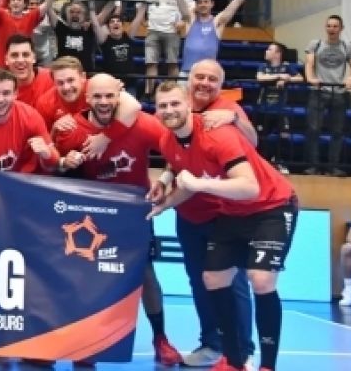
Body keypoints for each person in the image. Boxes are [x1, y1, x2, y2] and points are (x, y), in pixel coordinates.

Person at [150, 81, 297, 371]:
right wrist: (164, 204)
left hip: (272, 205)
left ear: (189, 104)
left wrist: (199, 184)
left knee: (261, 280)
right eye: (162, 105)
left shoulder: (218, 134)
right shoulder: (168, 141)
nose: (169, 110)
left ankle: (267, 365)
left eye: (175, 103)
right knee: (213, 277)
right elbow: (189, 182)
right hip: (232, 211)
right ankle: (233, 360)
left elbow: (250, 187)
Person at [52, 73, 183, 367]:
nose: (103, 102)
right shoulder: (73, 129)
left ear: (119, 95)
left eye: (109, 96)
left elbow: (178, 153)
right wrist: (64, 162)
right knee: (84, 279)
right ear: (87, 97)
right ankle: (83, 344)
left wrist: (164, 179)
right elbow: (52, 170)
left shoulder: (143, 124)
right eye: (97, 96)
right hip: (88, 218)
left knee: (146, 275)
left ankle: (160, 338)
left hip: (133, 214)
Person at [177, 0, 263, 74]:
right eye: (199, 2)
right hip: (187, 73)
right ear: (196, 5)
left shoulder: (217, 21)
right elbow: (180, 1)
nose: (202, 4)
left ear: (212, 4)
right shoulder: (191, 20)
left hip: (208, 74)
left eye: (206, 2)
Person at [303, 15, 351, 176]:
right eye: (329, 26)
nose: (331, 29)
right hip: (318, 92)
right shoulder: (315, 44)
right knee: (313, 130)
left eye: (335, 26)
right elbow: (309, 63)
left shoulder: (347, 46)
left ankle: (333, 167)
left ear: (341, 29)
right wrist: (311, 78)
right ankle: (314, 166)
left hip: (338, 93)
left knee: (337, 132)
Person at [255, 42, 302, 172]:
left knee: (284, 136)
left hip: (280, 109)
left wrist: (288, 79)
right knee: (262, 137)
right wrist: (279, 76)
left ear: (278, 54)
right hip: (264, 109)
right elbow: (260, 78)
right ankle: (262, 163)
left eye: (270, 50)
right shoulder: (263, 67)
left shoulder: (286, 67)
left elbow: (299, 78)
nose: (266, 52)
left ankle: (281, 162)